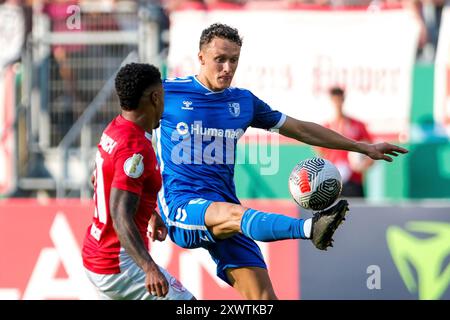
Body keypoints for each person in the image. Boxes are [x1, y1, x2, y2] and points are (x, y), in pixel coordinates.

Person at [155, 23, 408, 300]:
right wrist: (149, 207)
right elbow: (133, 137)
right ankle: (309, 228)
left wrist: (360, 146)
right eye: (220, 60)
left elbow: (300, 129)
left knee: (264, 300)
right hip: (182, 205)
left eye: (234, 60)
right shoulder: (167, 94)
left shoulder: (243, 102)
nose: (227, 68)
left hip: (225, 207)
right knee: (235, 214)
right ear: (201, 57)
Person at [82, 63, 194, 300]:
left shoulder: (115, 128)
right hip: (118, 263)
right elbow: (120, 214)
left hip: (96, 253)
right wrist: (149, 267)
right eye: (162, 96)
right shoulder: (135, 147)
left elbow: (101, 179)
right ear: (155, 97)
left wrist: (149, 213)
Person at [316, 86, 374, 197]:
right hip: (332, 182)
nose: (337, 103)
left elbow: (371, 152)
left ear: (343, 99)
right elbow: (321, 155)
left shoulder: (357, 126)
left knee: (356, 213)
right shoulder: (326, 128)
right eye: (335, 100)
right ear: (331, 101)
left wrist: (363, 164)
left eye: (340, 99)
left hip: (354, 182)